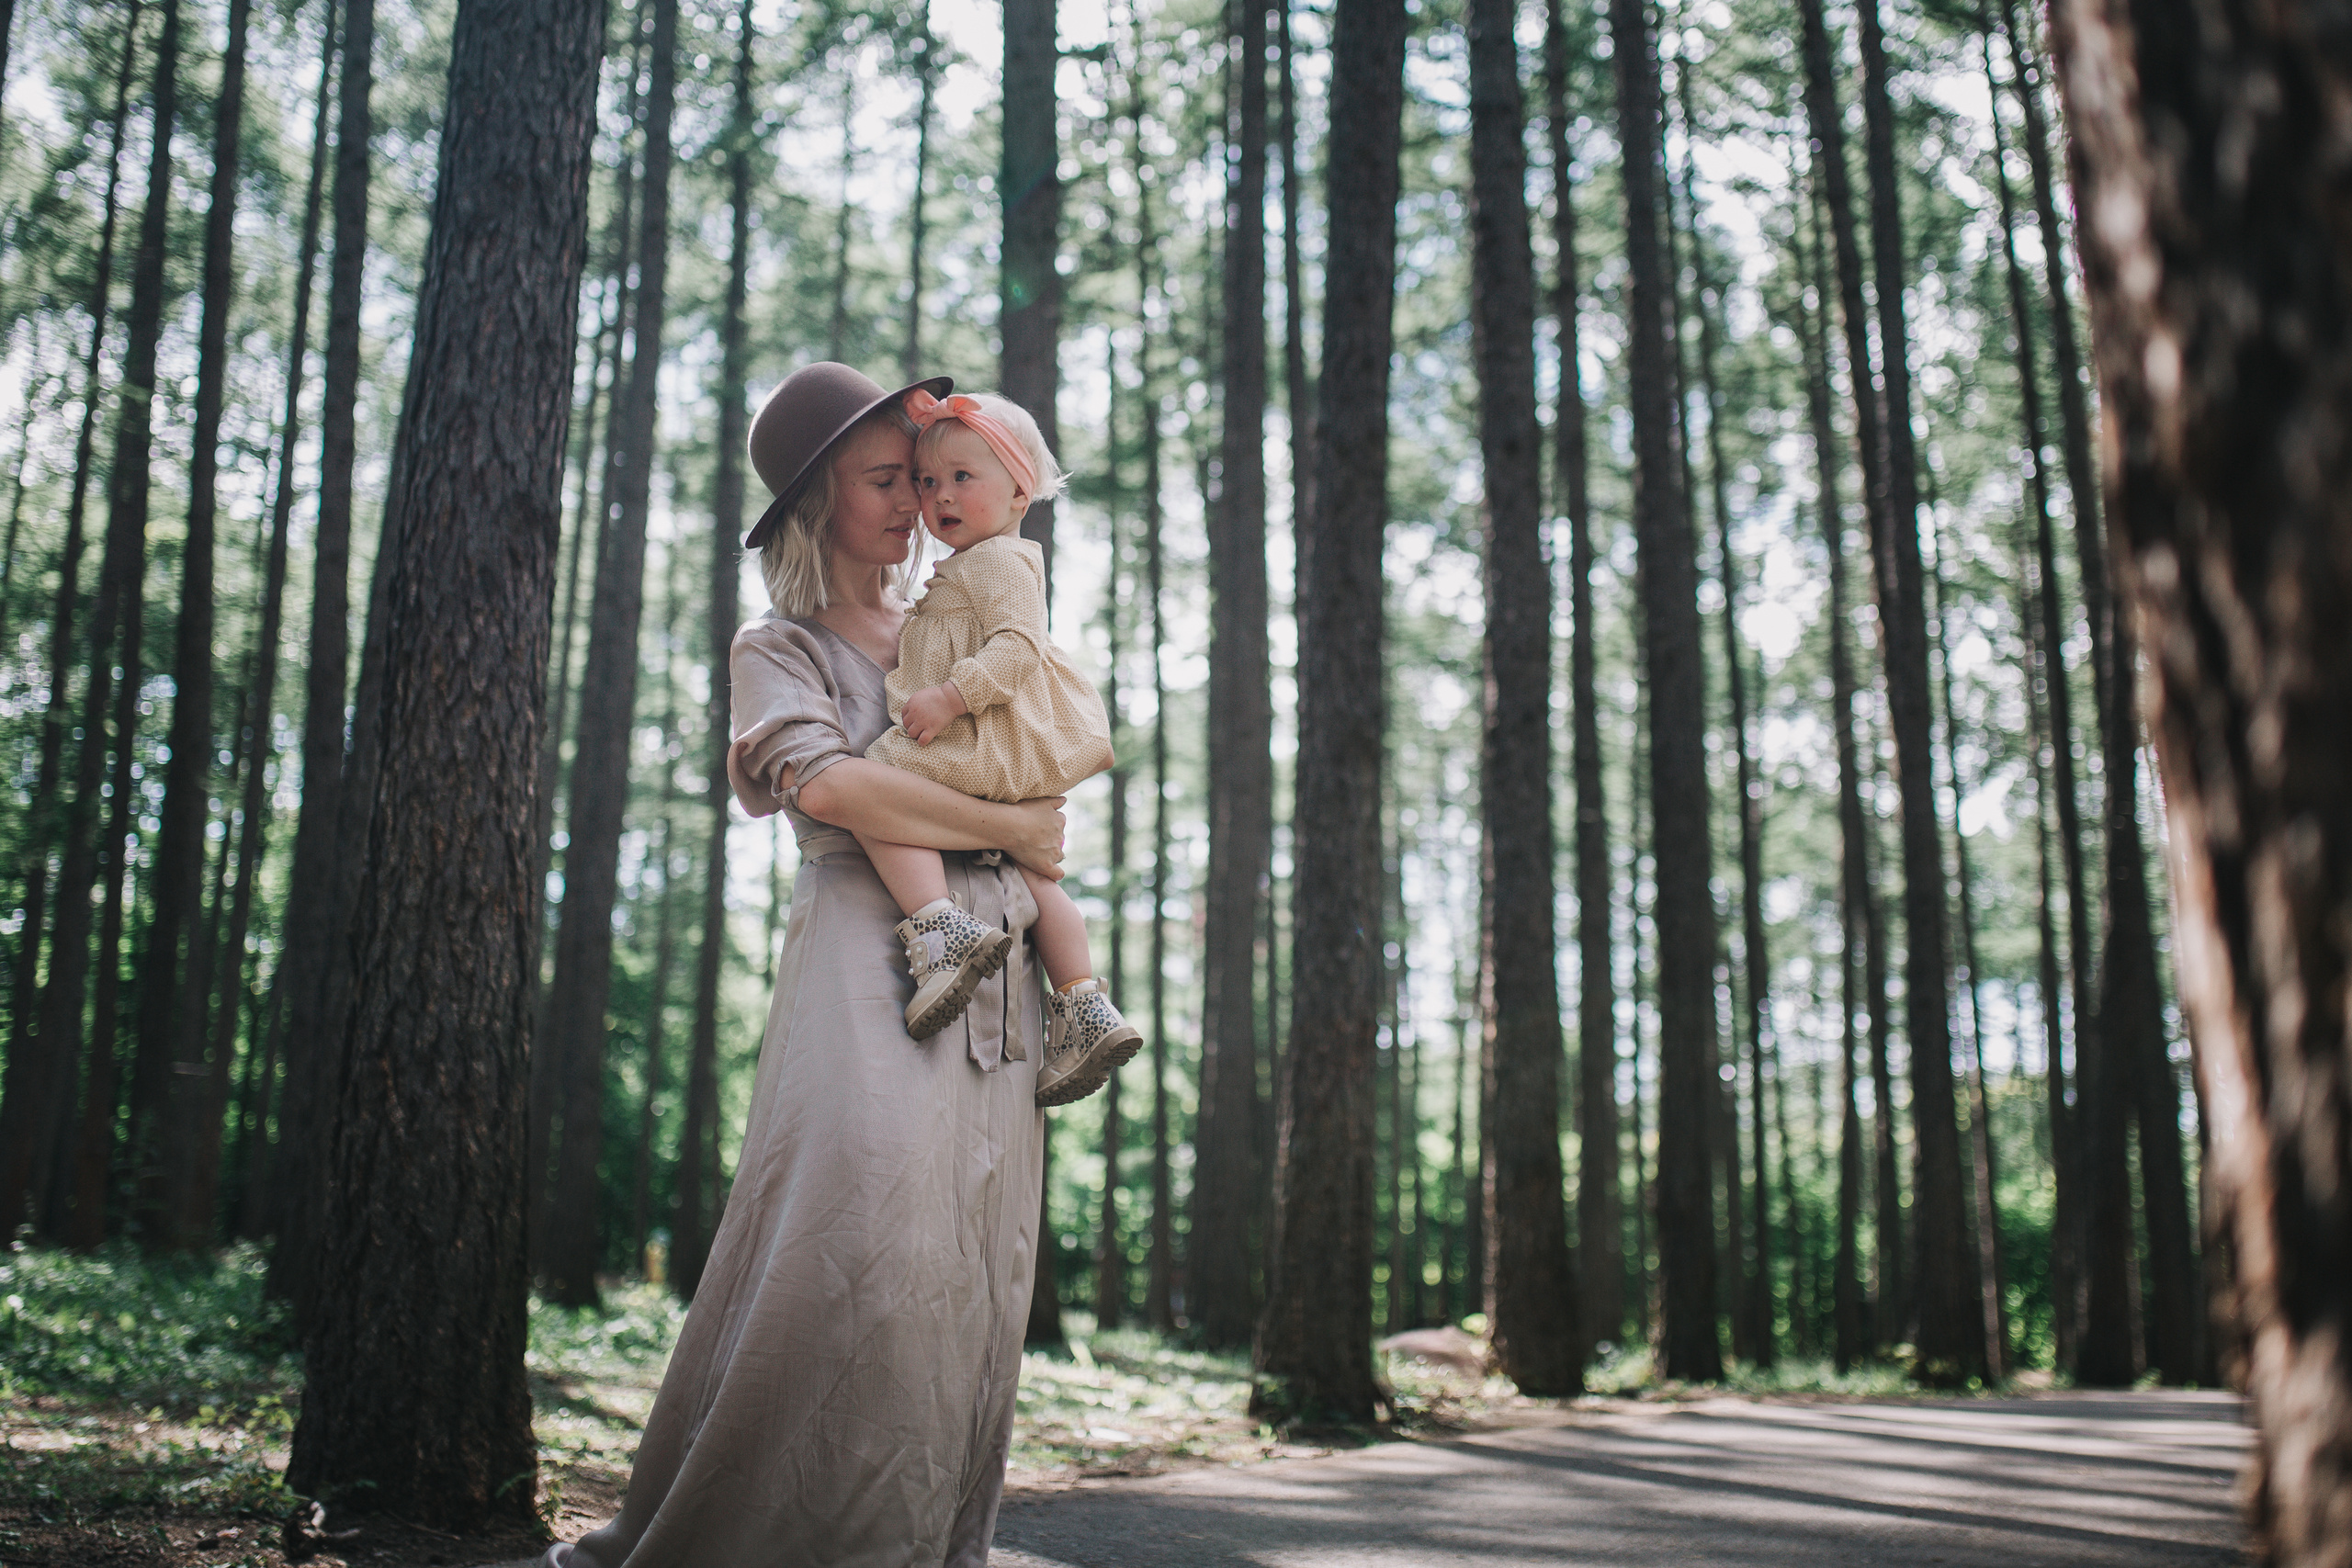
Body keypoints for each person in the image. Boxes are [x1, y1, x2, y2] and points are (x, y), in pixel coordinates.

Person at [547, 363, 1061, 1568]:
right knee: (853, 1242)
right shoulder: (778, 644)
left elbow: (1039, 758)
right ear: (814, 504)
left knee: (973, 1261)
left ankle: (924, 1540)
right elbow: (827, 789)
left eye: (918, 475)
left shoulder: (952, 630)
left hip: (1002, 971)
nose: (915, 499)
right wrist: (1011, 826)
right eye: (883, 479)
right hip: (866, 964)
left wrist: (1017, 827)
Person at [852, 388, 1141, 1106]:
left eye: (962, 477)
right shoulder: (979, 563)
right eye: (927, 481)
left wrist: (951, 696)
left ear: (1020, 491)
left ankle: (939, 928)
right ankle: (1081, 1003)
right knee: (1037, 876)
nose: (940, 495)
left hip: (983, 736)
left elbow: (1019, 648)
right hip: (996, 746)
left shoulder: (997, 563)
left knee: (876, 782)